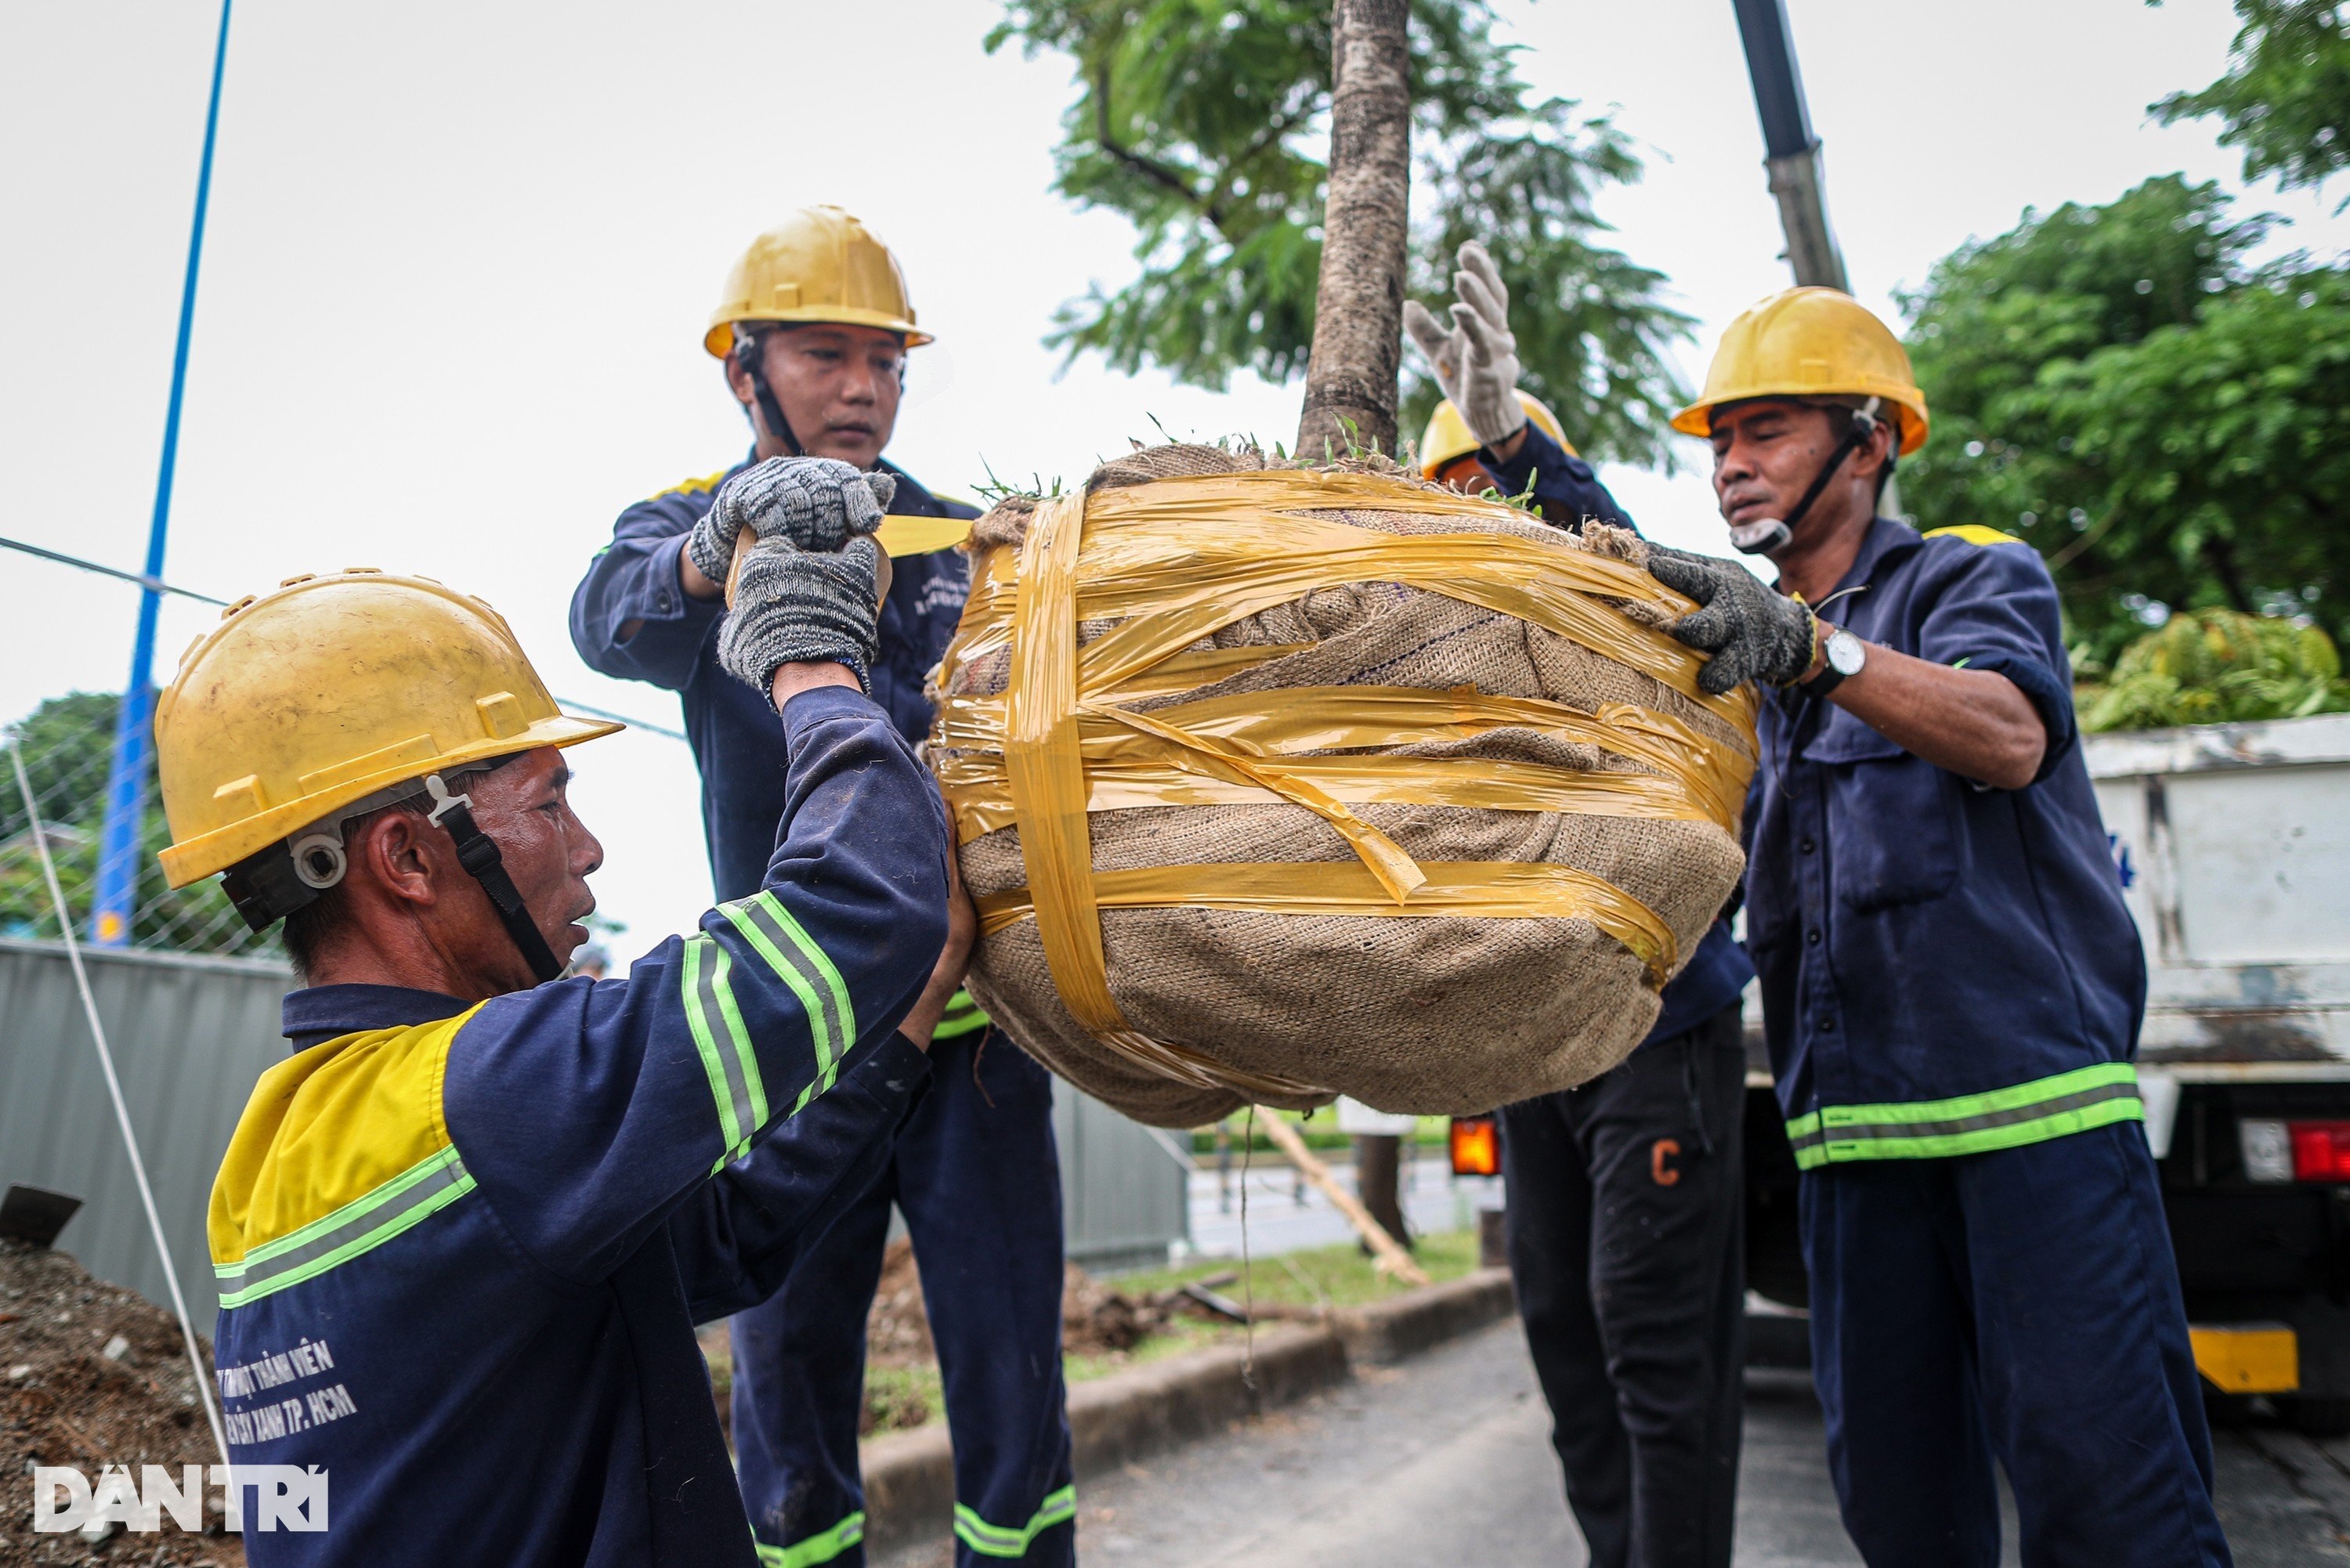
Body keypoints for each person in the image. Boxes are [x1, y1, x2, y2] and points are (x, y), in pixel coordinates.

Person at [157, 480, 968, 1566]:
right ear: (405, 857)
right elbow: (863, 900)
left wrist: (908, 1014)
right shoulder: (487, 1095)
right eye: (548, 803)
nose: (586, 848)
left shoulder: (269, 1162)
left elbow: (724, 1239)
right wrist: (808, 655)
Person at [1648, 285, 2231, 1567]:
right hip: (1853, 1155)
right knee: (1905, 1519)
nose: (1732, 466)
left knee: (2110, 1507)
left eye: (1769, 431)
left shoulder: (1965, 579)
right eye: (1720, 441)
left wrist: (1818, 651)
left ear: (1871, 442)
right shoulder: (1750, 665)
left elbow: (2009, 735)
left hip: (2035, 1132)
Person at [569, 205, 1075, 1568]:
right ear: (744, 371)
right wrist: (719, 544)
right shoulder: (689, 523)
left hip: (974, 1040)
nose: (863, 387)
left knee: (1013, 1383)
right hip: (791, 1035)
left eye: (886, 361)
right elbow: (605, 615)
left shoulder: (968, 541)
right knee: (786, 1410)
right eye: (826, 356)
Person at [1408, 245, 1754, 1568]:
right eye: (1449, 497)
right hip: (1524, 1031)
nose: (1470, 518)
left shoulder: (1616, 625)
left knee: (1653, 1337)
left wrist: (1518, 442)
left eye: (1489, 493)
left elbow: (1646, 576)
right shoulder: (1433, 675)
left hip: (1651, 1025)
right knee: (1560, 1322)